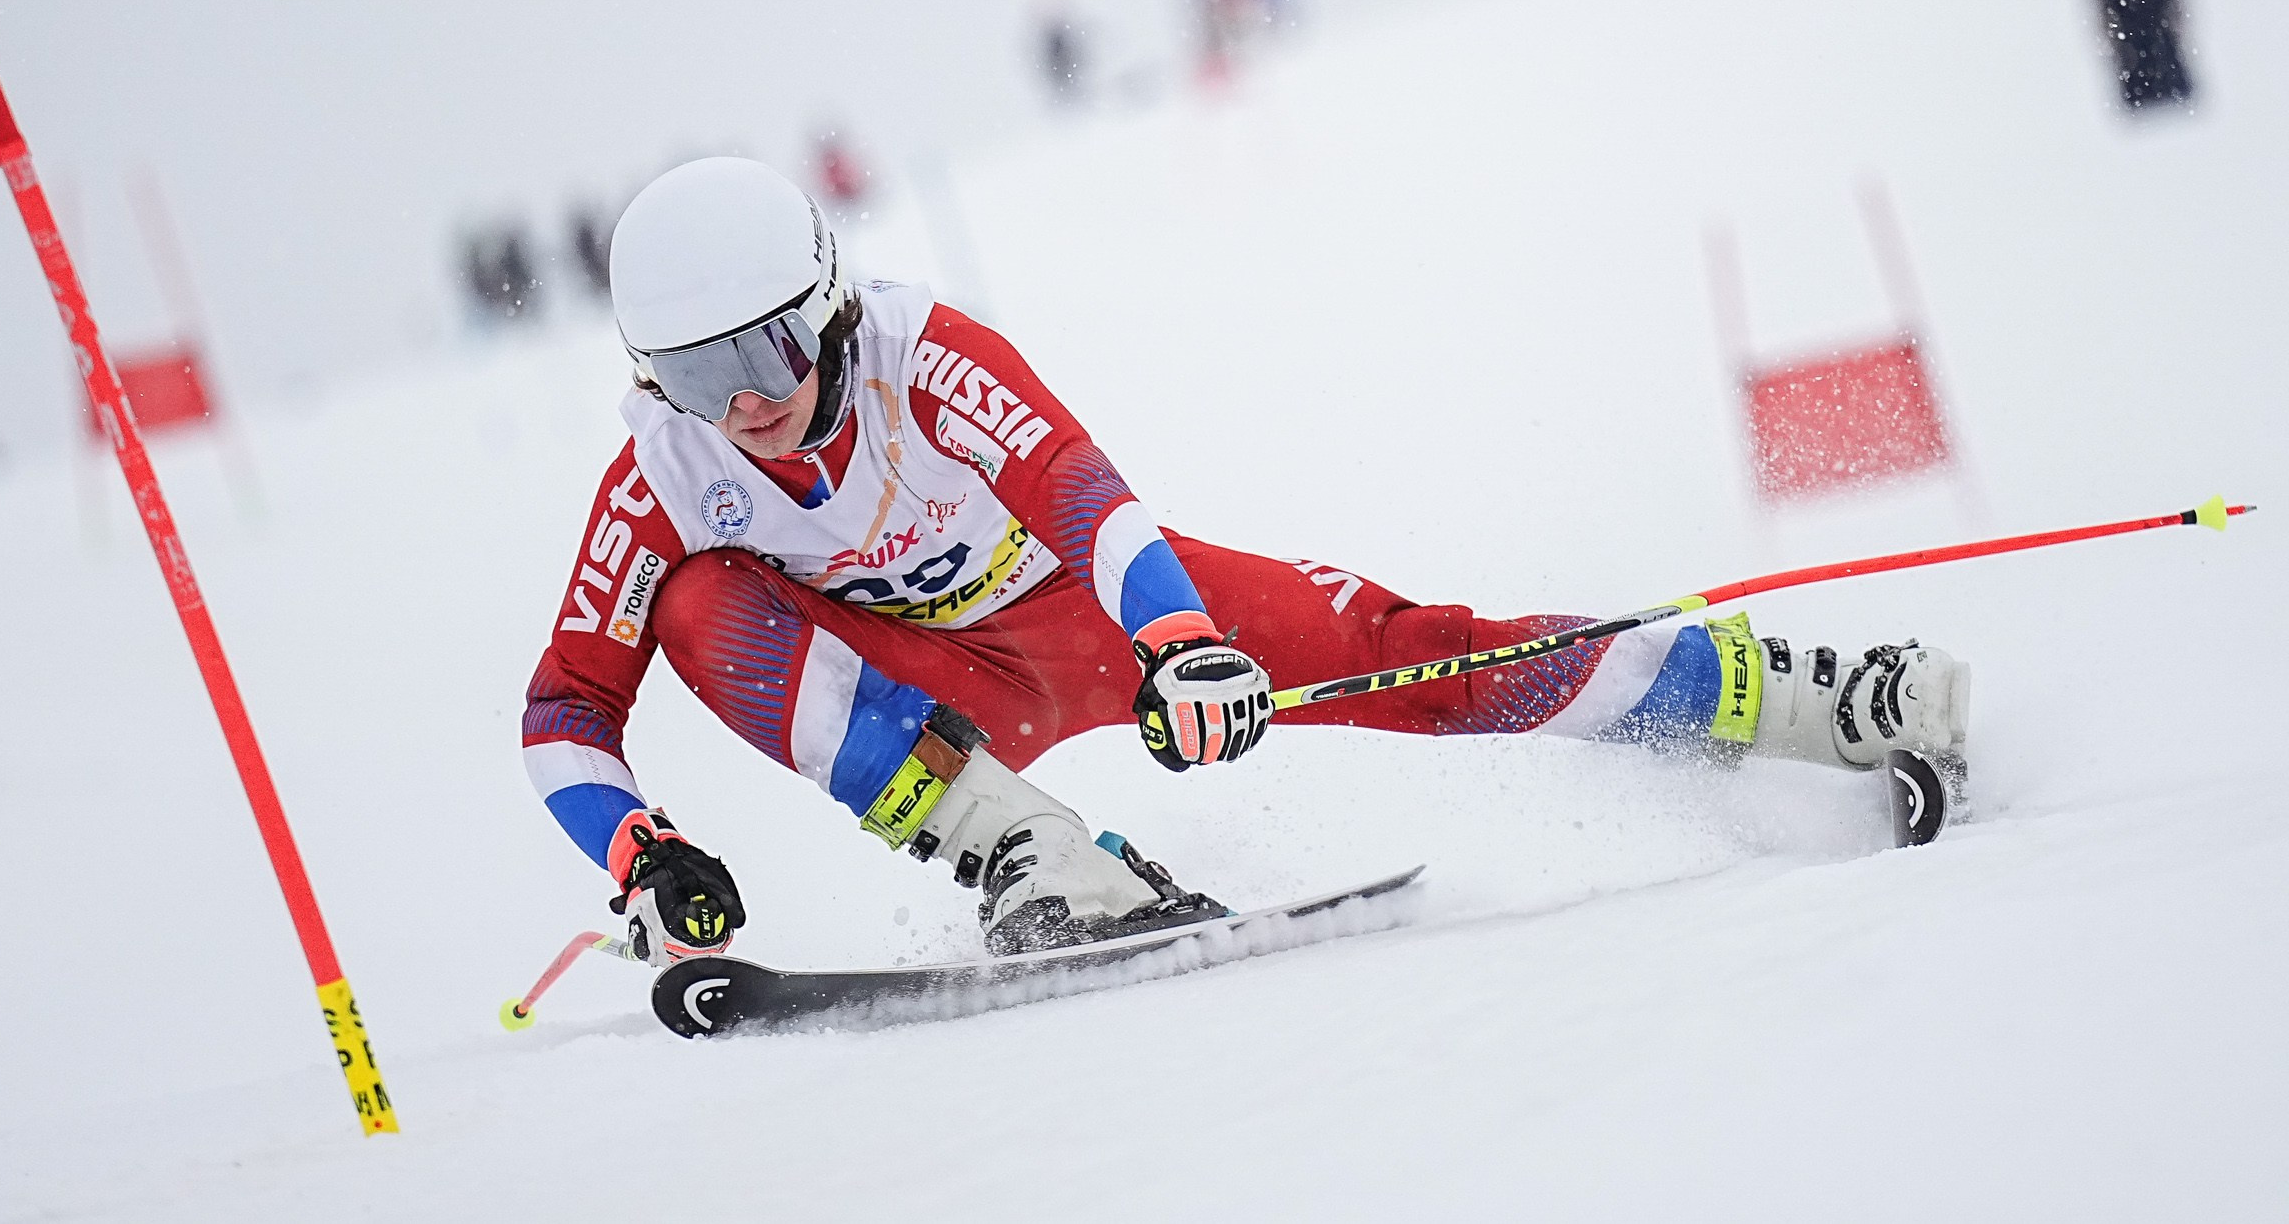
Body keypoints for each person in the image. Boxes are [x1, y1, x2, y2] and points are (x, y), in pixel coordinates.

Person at [522, 160, 1972, 965]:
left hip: (1086, 606)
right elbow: (565, 707)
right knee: (704, 601)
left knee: (1425, 654)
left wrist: (1180, 640)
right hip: (946, 690)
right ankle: (1028, 854)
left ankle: (1810, 700)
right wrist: (638, 851)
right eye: (696, 374)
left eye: (765, 351)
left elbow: (1088, 496)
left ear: (828, 305)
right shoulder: (670, 465)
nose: (746, 402)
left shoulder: (922, 356)